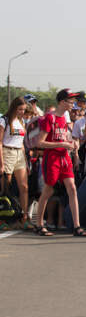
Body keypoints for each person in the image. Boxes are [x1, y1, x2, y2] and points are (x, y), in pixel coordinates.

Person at [34, 89, 86, 237]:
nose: (73, 104)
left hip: (65, 158)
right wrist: (62, 144)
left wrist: (70, 144)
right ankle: (39, 224)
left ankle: (77, 226)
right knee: (48, 191)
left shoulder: (64, 119)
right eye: (70, 101)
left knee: (72, 188)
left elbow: (62, 138)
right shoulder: (49, 118)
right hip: (52, 159)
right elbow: (40, 142)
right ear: (62, 102)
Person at [0, 97, 30, 229]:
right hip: (7, 152)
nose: (22, 112)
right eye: (19, 109)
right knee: (5, 187)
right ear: (14, 108)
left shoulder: (21, 121)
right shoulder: (4, 120)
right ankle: (3, 220)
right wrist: (1, 163)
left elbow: (22, 143)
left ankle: (24, 218)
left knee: (24, 187)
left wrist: (26, 162)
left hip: (20, 154)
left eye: (23, 110)